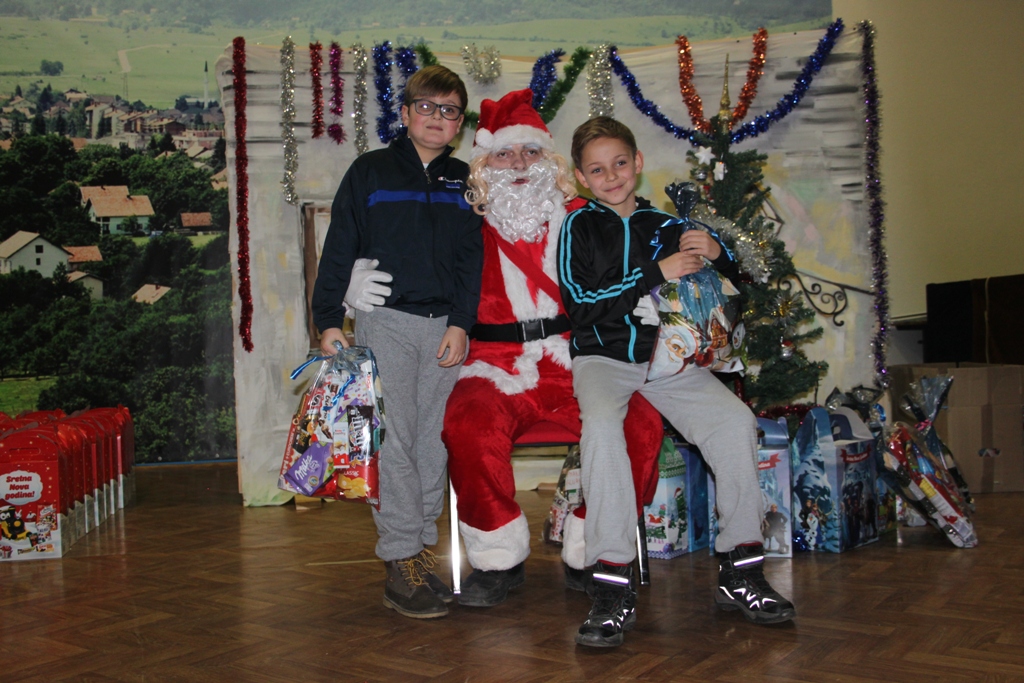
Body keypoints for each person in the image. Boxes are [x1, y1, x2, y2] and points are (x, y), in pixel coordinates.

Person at [559, 116, 796, 648]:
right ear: (580, 177)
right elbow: (581, 307)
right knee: (602, 428)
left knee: (735, 423)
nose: (611, 176)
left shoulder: (664, 223)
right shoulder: (578, 227)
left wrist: (717, 254)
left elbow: (730, 286)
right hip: (603, 358)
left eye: (620, 163)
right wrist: (655, 273)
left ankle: (741, 570)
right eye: (597, 170)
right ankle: (612, 584)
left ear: (638, 162)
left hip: (669, 361)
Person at [440, 90, 663, 608]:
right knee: (467, 426)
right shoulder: (462, 226)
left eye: (531, 151)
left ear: (552, 161)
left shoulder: (587, 218)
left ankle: (595, 548)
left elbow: (642, 251)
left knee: (642, 424)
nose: (520, 164)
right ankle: (498, 559)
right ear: (483, 165)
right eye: (504, 153)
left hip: (578, 356)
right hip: (495, 364)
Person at [311, 65, 483, 620]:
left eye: (449, 110)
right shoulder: (370, 171)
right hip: (384, 321)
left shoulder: (465, 179)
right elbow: (340, 244)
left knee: (433, 442)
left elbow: (471, 260)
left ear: (459, 123)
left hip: (443, 331)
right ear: (405, 113)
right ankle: (400, 556)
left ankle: (419, 543)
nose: (436, 117)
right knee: (394, 442)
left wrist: (462, 323)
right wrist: (329, 318)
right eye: (425, 106)